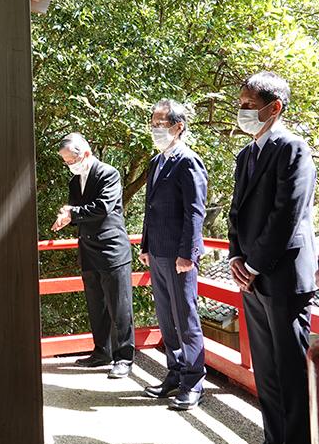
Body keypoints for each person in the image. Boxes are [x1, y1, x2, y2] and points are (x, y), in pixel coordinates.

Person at [228, 72, 316, 444]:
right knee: (266, 367)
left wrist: (254, 263)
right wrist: (235, 256)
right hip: (252, 274)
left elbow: (287, 215)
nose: (242, 111)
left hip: (283, 274)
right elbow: (236, 212)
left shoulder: (293, 149)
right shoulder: (247, 154)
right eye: (242, 103)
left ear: (274, 107)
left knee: (290, 371)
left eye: (248, 104)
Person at [139, 100, 208, 410]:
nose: (155, 129)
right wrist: (145, 246)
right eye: (153, 123)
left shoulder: (188, 161)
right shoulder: (157, 162)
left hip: (180, 256)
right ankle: (174, 372)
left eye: (161, 124)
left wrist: (188, 254)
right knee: (167, 317)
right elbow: (150, 208)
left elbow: (195, 212)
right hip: (157, 252)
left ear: (178, 127)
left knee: (186, 318)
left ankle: (193, 381)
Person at [51, 133, 135, 378]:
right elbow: (75, 211)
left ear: (85, 153)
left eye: (71, 160)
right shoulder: (74, 181)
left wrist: (72, 213)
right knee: (96, 305)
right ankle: (101, 351)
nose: (69, 165)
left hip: (112, 250)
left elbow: (102, 207)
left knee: (119, 307)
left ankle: (124, 358)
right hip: (87, 250)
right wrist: (65, 216)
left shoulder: (109, 173)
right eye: (65, 162)